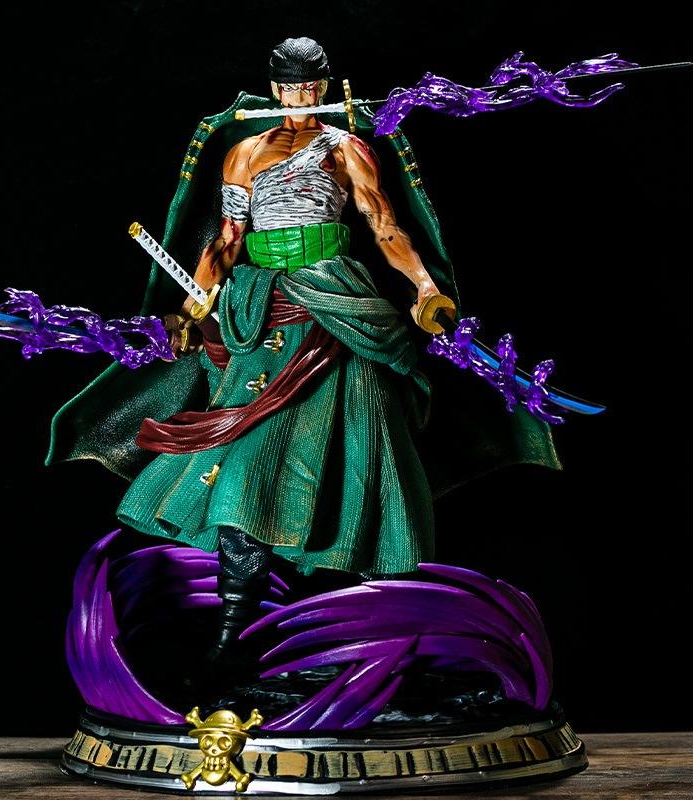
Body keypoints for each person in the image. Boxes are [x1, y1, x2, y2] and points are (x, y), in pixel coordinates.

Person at [47, 37, 560, 668]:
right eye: (289, 85)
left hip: (338, 304)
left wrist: (426, 289)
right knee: (238, 468)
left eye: (310, 84)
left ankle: (366, 637)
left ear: (324, 85)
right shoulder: (245, 151)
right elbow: (227, 240)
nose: (299, 96)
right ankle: (231, 640)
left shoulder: (346, 148)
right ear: (273, 88)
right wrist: (192, 307)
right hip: (261, 310)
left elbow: (383, 224)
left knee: (361, 458)